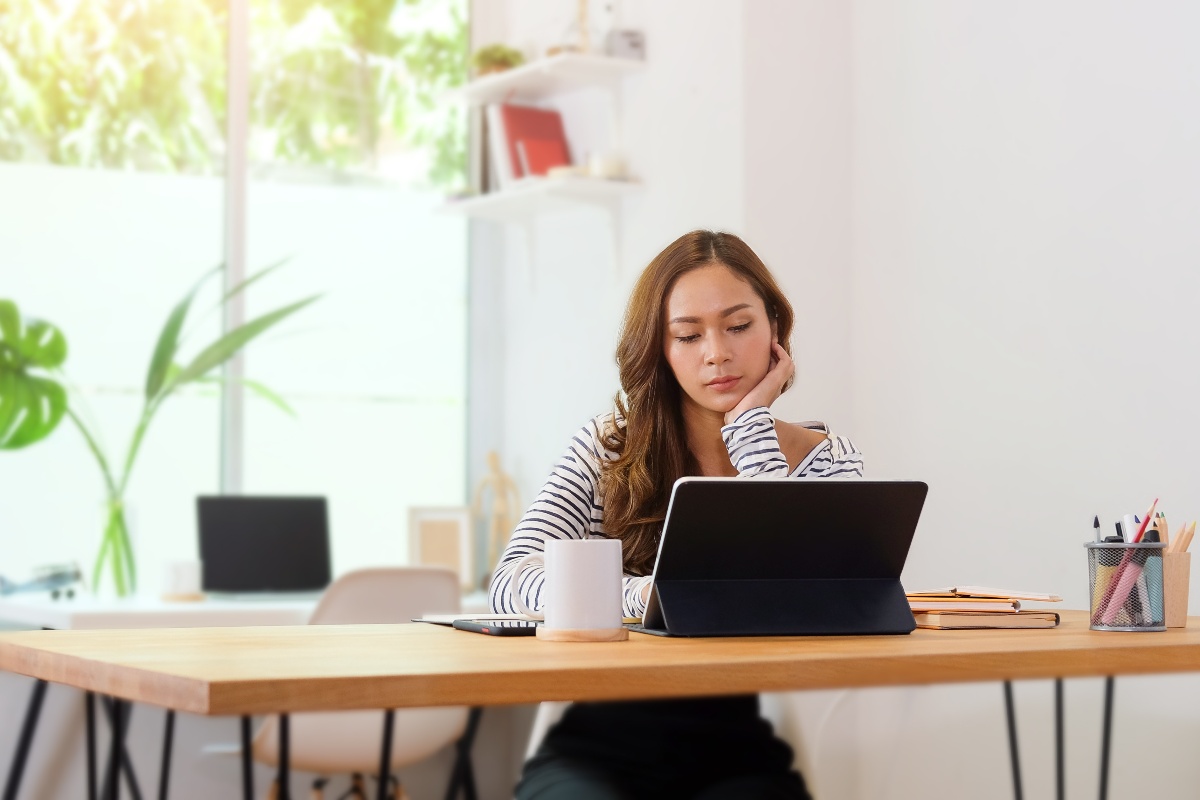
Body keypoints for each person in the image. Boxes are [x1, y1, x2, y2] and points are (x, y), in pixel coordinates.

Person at [489, 230, 864, 800]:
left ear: (775, 331)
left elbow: (820, 596)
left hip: (736, 751)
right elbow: (511, 584)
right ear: (660, 351)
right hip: (599, 745)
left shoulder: (824, 461)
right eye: (688, 336)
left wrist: (749, 430)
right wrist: (649, 597)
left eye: (739, 327)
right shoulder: (607, 450)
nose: (717, 352)